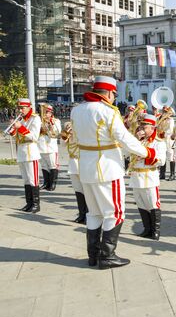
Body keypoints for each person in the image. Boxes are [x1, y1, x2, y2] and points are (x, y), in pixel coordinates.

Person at [71, 76, 157, 269]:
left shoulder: (76, 110)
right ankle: (107, 256)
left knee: (94, 213)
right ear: (109, 93)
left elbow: (75, 140)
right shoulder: (108, 111)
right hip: (108, 169)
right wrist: (147, 152)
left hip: (86, 168)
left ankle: (93, 256)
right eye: (113, 94)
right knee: (115, 212)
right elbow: (124, 138)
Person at [128, 114, 166, 240]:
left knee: (152, 204)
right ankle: (147, 229)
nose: (142, 129)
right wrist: (135, 140)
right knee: (141, 204)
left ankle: (156, 231)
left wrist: (146, 156)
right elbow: (126, 154)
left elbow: (161, 161)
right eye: (142, 126)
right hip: (135, 176)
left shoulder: (158, 142)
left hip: (149, 176)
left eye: (145, 126)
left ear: (152, 128)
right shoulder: (138, 140)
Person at [8, 98, 42, 213]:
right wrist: (12, 128)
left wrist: (20, 127)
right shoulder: (21, 119)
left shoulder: (35, 118)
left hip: (31, 151)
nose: (20, 110)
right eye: (19, 108)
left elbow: (34, 136)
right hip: (21, 151)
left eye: (22, 108)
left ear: (29, 107)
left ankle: (36, 205)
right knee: (26, 180)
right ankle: (29, 203)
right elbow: (15, 135)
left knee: (33, 179)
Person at [60, 120, 88, 223]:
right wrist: (65, 134)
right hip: (73, 164)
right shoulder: (68, 136)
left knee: (86, 191)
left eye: (70, 126)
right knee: (78, 190)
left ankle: (88, 215)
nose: (69, 128)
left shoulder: (81, 135)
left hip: (82, 163)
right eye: (67, 126)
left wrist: (75, 133)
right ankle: (81, 214)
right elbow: (62, 145)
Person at [37, 104, 61, 191]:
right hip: (40, 146)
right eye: (44, 112)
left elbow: (58, 132)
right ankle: (46, 183)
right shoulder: (38, 121)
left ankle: (53, 183)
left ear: (51, 113)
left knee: (53, 165)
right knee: (44, 165)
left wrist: (51, 124)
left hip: (51, 147)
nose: (45, 114)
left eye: (47, 112)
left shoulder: (56, 121)